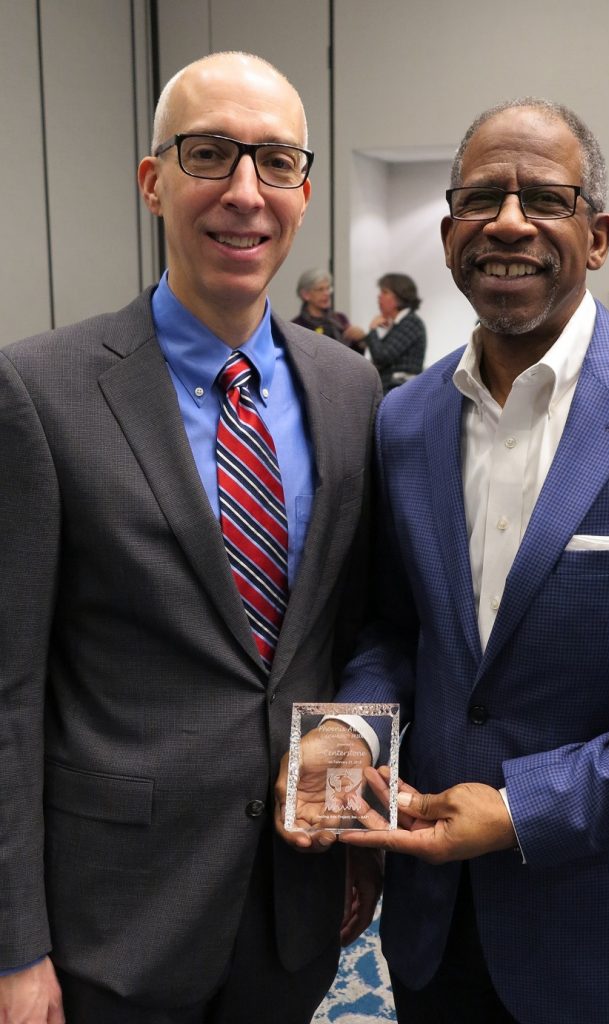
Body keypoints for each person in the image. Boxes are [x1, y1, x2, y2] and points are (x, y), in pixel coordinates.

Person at [276, 98, 609, 1023]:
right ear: (448, 237)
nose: (508, 221)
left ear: (594, 236)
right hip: (434, 927)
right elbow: (395, 631)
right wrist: (354, 733)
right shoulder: (404, 420)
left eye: (543, 199)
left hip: (601, 920)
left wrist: (525, 810)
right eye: (481, 198)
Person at [0, 51, 383, 1024]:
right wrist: (15, 949)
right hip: (110, 928)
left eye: (275, 162)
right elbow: (8, 692)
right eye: (210, 154)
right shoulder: (39, 392)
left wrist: (353, 829)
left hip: (289, 907)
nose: (244, 193)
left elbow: (355, 631)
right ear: (152, 179)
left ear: (304, 189)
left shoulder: (350, 390)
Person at [363, 273, 426, 392]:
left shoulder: (411, 322)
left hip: (399, 394)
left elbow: (381, 356)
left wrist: (372, 329)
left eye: (385, 292)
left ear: (400, 297)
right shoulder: (399, 323)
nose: (379, 296)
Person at [292, 268, 365, 351]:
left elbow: (355, 355)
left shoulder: (340, 319)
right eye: (320, 289)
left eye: (328, 288)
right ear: (305, 295)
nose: (326, 293)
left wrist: (360, 340)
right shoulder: (297, 326)